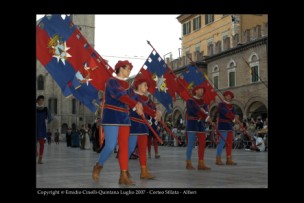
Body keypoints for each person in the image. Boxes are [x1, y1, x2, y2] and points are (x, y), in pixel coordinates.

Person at [92, 60, 144, 185]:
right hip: (111, 116)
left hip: (124, 118)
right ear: (120, 68)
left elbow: (135, 99)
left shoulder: (128, 86)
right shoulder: (111, 82)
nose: (129, 71)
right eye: (128, 68)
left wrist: (152, 111)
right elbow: (119, 95)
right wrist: (135, 104)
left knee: (124, 147)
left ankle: (123, 176)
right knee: (110, 146)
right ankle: (99, 165)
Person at [127, 77, 161, 179]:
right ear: (138, 85)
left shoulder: (145, 99)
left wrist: (156, 113)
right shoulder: (132, 96)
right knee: (131, 148)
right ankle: (123, 169)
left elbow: (148, 109)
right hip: (133, 125)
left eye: (147, 85)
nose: (147, 87)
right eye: (145, 85)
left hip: (143, 126)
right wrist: (136, 108)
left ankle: (143, 171)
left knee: (142, 149)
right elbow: (130, 108)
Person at [185, 85, 212, 170]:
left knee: (203, 142)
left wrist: (206, 115)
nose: (201, 91)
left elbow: (206, 111)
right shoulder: (190, 101)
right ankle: (188, 162)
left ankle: (201, 163)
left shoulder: (203, 102)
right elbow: (192, 111)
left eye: (202, 90)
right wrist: (203, 114)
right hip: (192, 123)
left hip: (201, 124)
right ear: (195, 91)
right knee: (191, 144)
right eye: (200, 90)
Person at [215, 91, 239, 165]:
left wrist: (237, 119)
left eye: (230, 96)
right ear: (224, 96)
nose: (229, 97)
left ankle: (229, 159)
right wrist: (233, 118)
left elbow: (235, 114)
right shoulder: (221, 105)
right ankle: (218, 158)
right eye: (227, 96)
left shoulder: (232, 106)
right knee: (222, 143)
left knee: (229, 143)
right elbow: (225, 113)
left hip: (229, 125)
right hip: (222, 125)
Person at [36, 95, 52, 164]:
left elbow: (50, 117)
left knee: (42, 144)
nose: (41, 101)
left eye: (42, 100)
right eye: (40, 100)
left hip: (42, 128)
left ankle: (40, 159)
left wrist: (47, 121)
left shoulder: (45, 109)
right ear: (37, 101)